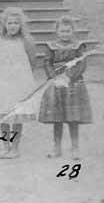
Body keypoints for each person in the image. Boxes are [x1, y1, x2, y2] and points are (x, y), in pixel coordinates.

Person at [38, 15, 93, 159]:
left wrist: (69, 77)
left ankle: (75, 148)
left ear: (73, 31)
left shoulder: (78, 46)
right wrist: (54, 76)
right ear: (57, 31)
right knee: (57, 118)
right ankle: (57, 148)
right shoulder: (51, 46)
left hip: (73, 84)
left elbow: (82, 63)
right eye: (62, 31)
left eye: (68, 31)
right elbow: (47, 62)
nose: (65, 34)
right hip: (57, 84)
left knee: (73, 117)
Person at [0, 7, 37, 159]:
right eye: (9, 23)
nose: (13, 26)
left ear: (21, 25)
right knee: (2, 114)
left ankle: (15, 148)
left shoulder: (26, 41)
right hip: (2, 84)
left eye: (16, 23)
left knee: (16, 117)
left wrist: (22, 79)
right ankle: (5, 146)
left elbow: (32, 62)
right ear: (4, 24)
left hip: (19, 84)